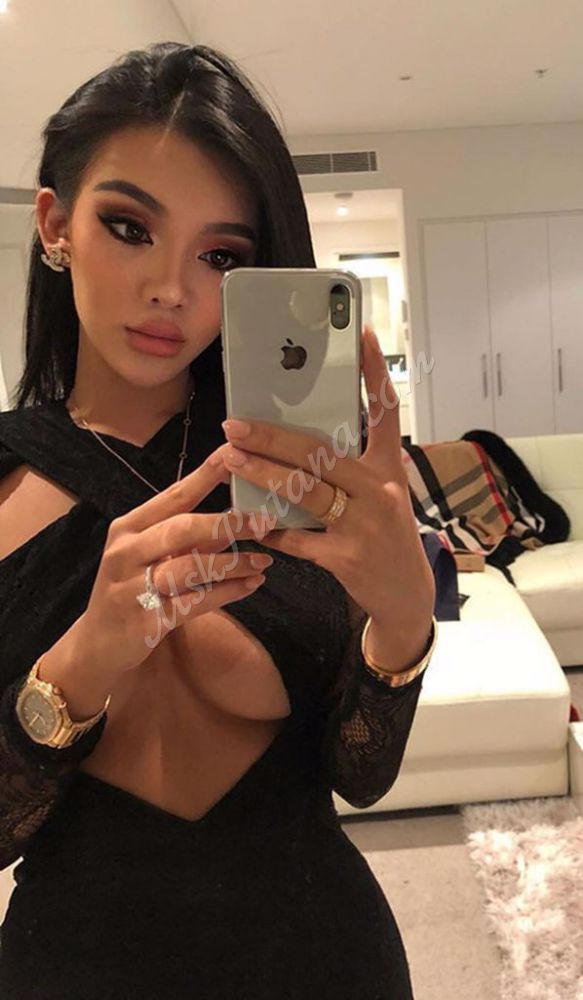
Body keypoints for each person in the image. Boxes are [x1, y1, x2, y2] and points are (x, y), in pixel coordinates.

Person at [0, 41, 438, 999]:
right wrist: (81, 664)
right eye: (129, 227)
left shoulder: (294, 469)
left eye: (220, 255)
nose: (172, 288)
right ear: (56, 224)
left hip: (324, 960)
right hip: (76, 971)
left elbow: (359, 777)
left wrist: (404, 621)